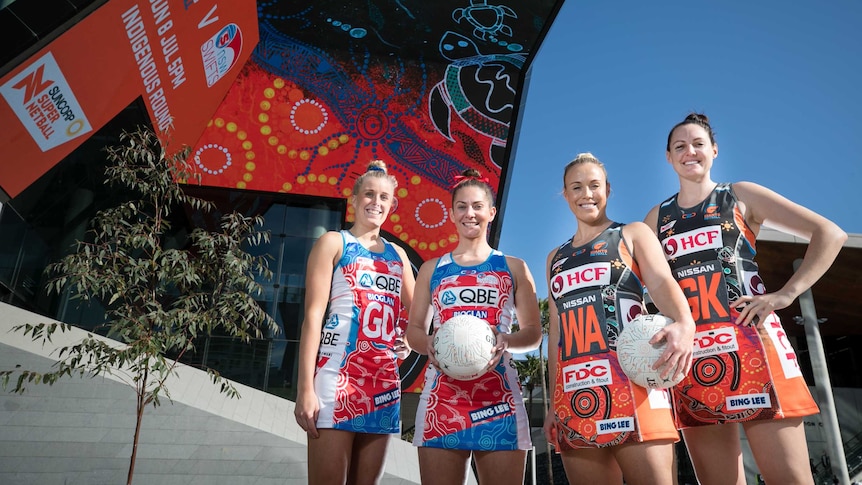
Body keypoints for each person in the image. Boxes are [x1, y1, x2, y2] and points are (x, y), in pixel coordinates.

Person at [644, 113, 847, 485]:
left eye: (698, 144)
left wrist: (786, 294)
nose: (690, 151)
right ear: (669, 158)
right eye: (679, 146)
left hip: (755, 349)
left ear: (714, 151)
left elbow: (829, 234)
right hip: (693, 361)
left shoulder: (740, 195)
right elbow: (652, 287)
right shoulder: (656, 218)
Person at [542, 153, 696, 485]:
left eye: (594, 185)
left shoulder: (633, 234)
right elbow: (556, 334)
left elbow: (662, 282)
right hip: (576, 395)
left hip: (634, 385)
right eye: (577, 187)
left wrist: (686, 323)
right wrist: (554, 404)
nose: (587, 194)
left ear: (608, 190)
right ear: (565, 194)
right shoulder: (554, 258)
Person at [405, 168, 543, 485]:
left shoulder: (513, 266)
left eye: (478, 206)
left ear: (491, 212)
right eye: (463, 206)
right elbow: (414, 331)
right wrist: (429, 344)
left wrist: (504, 340)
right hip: (442, 399)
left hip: (499, 399)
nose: (471, 213)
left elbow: (533, 334)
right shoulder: (431, 269)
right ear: (452, 213)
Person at [294, 160, 416, 484]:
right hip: (336, 381)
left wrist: (409, 340)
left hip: (385, 386)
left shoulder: (398, 255)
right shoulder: (334, 243)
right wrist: (305, 388)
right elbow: (312, 318)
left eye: (384, 197)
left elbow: (419, 313)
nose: (376, 202)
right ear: (354, 198)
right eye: (369, 194)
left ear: (392, 204)